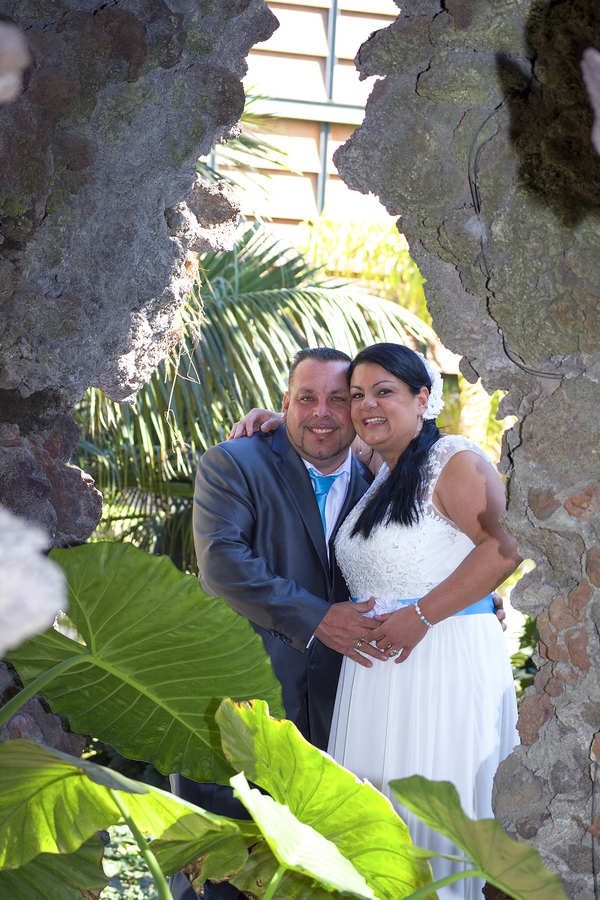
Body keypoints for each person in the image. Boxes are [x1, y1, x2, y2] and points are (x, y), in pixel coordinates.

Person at [169, 348, 387, 900]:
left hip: (346, 713)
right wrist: (319, 619)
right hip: (242, 703)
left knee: (316, 875)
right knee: (219, 868)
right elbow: (222, 563)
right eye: (307, 398)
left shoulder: (380, 480)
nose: (322, 412)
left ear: (357, 408)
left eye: (337, 399)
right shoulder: (234, 462)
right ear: (285, 403)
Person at [327, 343, 521, 900]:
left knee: (435, 820)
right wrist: (271, 419)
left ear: (422, 398)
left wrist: (420, 615)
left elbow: (504, 548)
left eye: (383, 391)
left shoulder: (453, 459)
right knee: (379, 830)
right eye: (356, 395)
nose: (367, 405)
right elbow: (315, 432)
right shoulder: (383, 472)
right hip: (375, 678)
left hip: (441, 663)